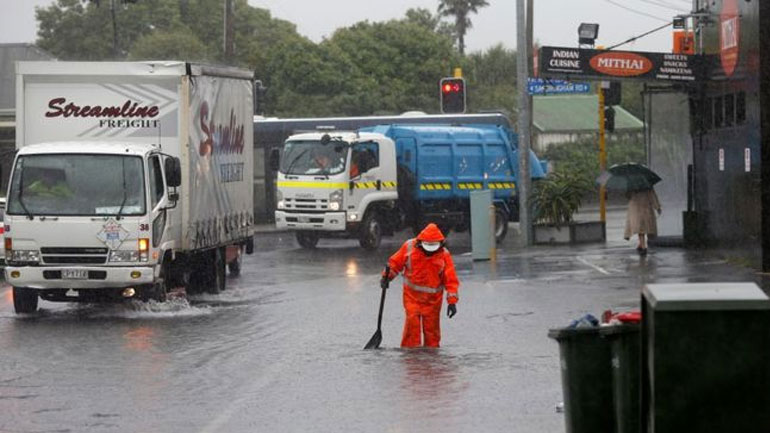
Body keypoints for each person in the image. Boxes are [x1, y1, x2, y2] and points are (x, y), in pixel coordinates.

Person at [380, 223, 459, 348]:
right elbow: (395, 263)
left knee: (432, 331)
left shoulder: (444, 255)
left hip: (432, 301)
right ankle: (411, 354)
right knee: (412, 326)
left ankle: (431, 355)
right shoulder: (409, 247)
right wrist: (387, 277)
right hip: (412, 297)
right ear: (420, 243)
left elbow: (451, 280)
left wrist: (452, 301)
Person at [624, 187, 661, 256]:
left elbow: (628, 196)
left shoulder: (631, 185)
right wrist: (657, 207)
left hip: (635, 208)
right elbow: (652, 196)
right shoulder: (647, 185)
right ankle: (642, 245)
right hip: (646, 206)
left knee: (640, 228)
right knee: (645, 227)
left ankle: (642, 245)